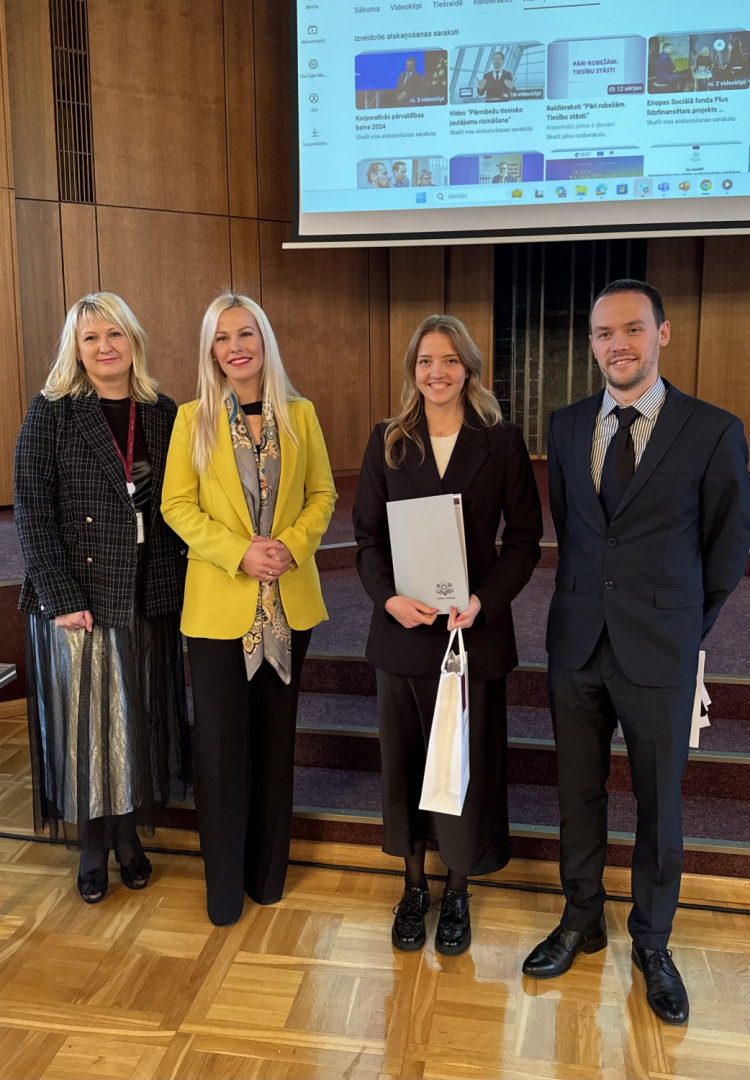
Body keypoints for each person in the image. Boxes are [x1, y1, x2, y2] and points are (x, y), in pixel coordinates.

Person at [522, 280, 750, 1025]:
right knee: (577, 793)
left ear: (663, 334)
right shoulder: (565, 425)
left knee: (659, 802)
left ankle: (653, 942)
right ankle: (582, 916)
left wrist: (682, 627)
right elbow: (575, 529)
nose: (616, 344)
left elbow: (726, 550)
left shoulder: (713, 430)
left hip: (660, 649)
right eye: (602, 333)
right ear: (591, 344)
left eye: (631, 329)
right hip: (577, 643)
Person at [353, 315, 542, 957]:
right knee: (406, 763)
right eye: (426, 361)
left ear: (469, 369)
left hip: (472, 634)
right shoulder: (388, 440)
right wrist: (387, 598)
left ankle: (458, 889)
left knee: (467, 765)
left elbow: (524, 539)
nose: (437, 372)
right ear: (413, 369)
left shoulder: (501, 440)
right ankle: (413, 887)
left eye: (450, 360)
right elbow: (367, 539)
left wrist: (484, 601)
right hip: (404, 633)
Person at [161, 293, 337, 926]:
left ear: (264, 341)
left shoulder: (300, 414)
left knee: (273, 744)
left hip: (287, 607)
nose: (235, 347)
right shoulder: (192, 419)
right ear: (210, 351)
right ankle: (224, 891)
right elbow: (176, 506)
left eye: (245, 334)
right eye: (222, 337)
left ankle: (267, 878)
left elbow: (323, 494)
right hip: (218, 611)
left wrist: (290, 546)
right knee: (219, 751)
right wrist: (240, 552)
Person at [14, 293, 190, 904]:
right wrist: (60, 594)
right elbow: (32, 510)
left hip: (147, 588)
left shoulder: (162, 411)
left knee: (135, 719)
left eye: (114, 334)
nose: (105, 346)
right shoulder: (52, 411)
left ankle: (127, 834)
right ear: (76, 349)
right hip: (79, 594)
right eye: (91, 338)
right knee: (87, 727)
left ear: (133, 340)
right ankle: (93, 845)